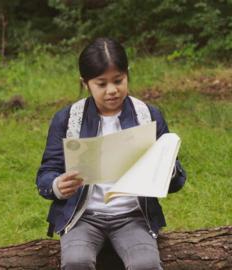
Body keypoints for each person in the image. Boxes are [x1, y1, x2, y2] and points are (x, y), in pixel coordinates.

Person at [35, 37, 187, 270]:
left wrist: (168, 169)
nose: (112, 91)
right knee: (77, 260)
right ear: (86, 83)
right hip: (83, 217)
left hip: (133, 216)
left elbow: (176, 180)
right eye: (101, 84)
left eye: (118, 81)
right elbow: (46, 174)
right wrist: (57, 185)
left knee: (145, 264)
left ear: (128, 74)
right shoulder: (67, 119)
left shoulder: (148, 115)